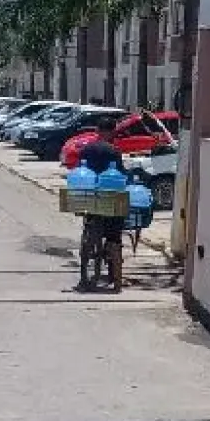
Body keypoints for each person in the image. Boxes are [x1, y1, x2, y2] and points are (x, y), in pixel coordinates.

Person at [75, 118, 126, 292]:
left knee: (90, 224)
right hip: (109, 200)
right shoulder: (114, 151)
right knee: (114, 233)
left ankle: (86, 264)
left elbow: (78, 169)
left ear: (98, 130)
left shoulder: (86, 149)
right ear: (111, 132)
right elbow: (120, 173)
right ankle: (113, 270)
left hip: (90, 199)